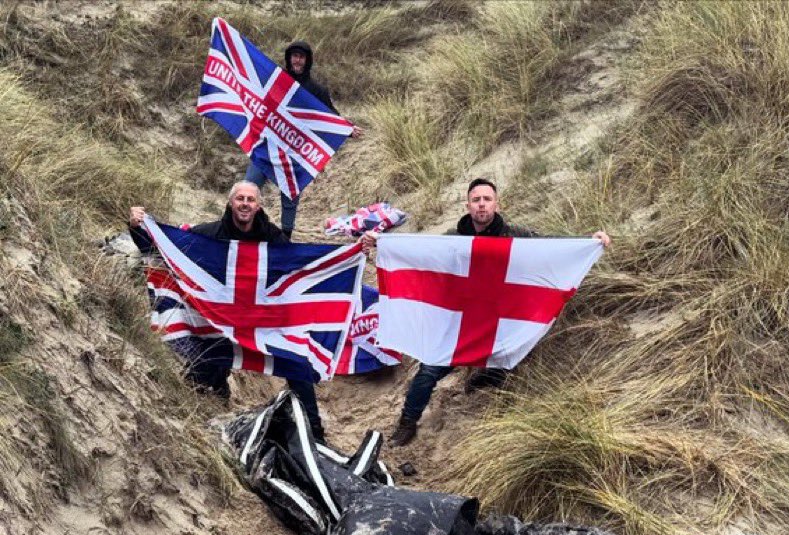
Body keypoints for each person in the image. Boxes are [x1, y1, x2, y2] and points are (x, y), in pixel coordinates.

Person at [362, 178, 611, 447]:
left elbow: (550, 247)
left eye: (487, 199)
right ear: (468, 205)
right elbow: (419, 253)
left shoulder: (515, 237)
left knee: (510, 359)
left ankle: (488, 381)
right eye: (476, 200)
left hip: (497, 321)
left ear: (496, 203)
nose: (482, 205)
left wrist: (590, 241)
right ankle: (407, 424)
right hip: (457, 323)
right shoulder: (452, 240)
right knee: (428, 371)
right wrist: (383, 243)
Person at [129, 181, 327, 439]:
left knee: (296, 362)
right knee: (206, 364)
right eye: (240, 199)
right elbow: (166, 248)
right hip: (222, 321)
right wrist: (138, 228)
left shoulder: (274, 238)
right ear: (230, 203)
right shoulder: (209, 235)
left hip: (260, 320)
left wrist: (353, 252)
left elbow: (301, 268)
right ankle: (207, 403)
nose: (245, 204)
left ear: (259, 206)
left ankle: (315, 433)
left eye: (250, 200)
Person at [245, 40, 363, 239]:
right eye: (294, 56)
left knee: (290, 195)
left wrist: (347, 128)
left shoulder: (316, 90)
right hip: (268, 146)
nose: (297, 60)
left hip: (294, 151)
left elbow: (330, 116)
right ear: (289, 58)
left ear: (307, 61)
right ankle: (239, 228)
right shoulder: (276, 80)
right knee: (248, 186)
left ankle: (285, 237)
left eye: (301, 57)